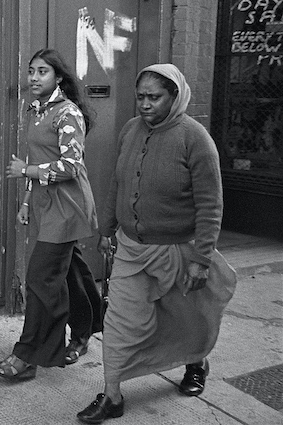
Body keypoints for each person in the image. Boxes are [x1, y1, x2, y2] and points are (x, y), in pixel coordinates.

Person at [77, 64, 237, 424]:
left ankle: (195, 361)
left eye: (155, 97)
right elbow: (118, 182)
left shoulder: (195, 139)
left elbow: (211, 205)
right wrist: (106, 229)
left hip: (179, 251)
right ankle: (112, 394)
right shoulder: (131, 130)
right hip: (132, 249)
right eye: (141, 96)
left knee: (187, 318)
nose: (145, 104)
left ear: (175, 97)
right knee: (119, 321)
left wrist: (202, 259)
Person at [0, 48, 103, 382]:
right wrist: (27, 201)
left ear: (58, 77)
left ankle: (29, 355)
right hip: (45, 205)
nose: (34, 78)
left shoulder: (67, 114)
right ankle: (85, 330)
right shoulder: (36, 111)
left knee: (41, 279)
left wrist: (27, 170)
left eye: (42, 72)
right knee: (69, 272)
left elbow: (70, 166)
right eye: (31, 72)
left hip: (67, 208)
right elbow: (37, 157)